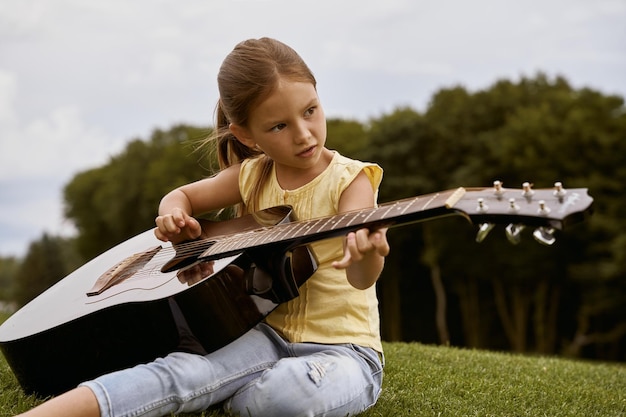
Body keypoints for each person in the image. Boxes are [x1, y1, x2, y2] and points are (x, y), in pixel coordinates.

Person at [19, 37, 389, 417]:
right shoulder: (251, 175)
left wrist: (368, 254)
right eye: (279, 125)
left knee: (288, 395)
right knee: (180, 372)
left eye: (310, 111)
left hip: (345, 351)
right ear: (246, 135)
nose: (303, 133)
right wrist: (173, 216)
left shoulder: (351, 179)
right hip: (262, 337)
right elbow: (180, 196)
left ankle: (233, 389)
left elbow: (361, 278)